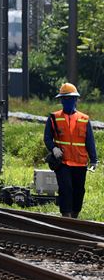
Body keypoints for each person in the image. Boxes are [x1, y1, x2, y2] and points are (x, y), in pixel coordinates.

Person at [44, 83, 98, 219]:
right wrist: (54, 148)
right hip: (63, 162)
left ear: (76, 99)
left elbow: (90, 141)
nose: (68, 101)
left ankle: (74, 216)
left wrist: (94, 160)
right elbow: (47, 138)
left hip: (80, 162)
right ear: (61, 100)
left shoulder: (84, 119)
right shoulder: (54, 118)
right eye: (65, 99)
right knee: (65, 189)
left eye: (70, 98)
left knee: (79, 190)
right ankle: (66, 216)